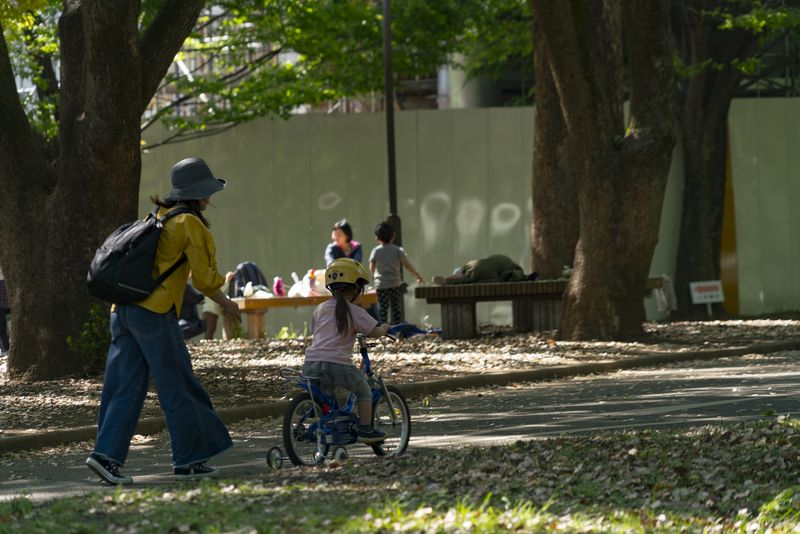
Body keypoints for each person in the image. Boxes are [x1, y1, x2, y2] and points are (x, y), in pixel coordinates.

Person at [85, 157, 242, 486]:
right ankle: (188, 460)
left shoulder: (158, 216)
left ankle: (105, 457)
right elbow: (205, 279)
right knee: (179, 385)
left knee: (123, 387)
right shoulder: (191, 224)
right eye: (208, 191)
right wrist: (227, 303)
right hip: (153, 314)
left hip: (123, 310)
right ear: (200, 193)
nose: (210, 198)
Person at [303, 258, 389, 443]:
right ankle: (366, 429)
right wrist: (385, 328)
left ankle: (324, 423)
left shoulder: (319, 309)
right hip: (337, 364)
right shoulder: (354, 311)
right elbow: (374, 332)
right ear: (357, 288)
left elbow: (317, 332)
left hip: (310, 363)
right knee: (365, 392)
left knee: (327, 396)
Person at [369, 222, 424, 325]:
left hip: (381, 285)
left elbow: (371, 266)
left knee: (383, 309)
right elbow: (407, 265)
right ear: (393, 235)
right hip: (395, 284)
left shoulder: (376, 251)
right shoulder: (397, 250)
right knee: (396, 308)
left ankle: (384, 329)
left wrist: (374, 277)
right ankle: (398, 328)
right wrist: (418, 275)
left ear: (377, 237)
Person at [0, 264, 8, 356]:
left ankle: (5, 348)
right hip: (3, 281)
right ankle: (4, 348)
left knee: (1, 324)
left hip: (2, 282)